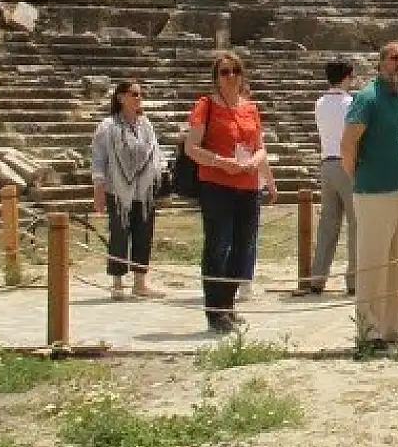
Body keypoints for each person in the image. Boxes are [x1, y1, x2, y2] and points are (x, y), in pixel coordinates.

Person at [342, 42, 398, 349]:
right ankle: (370, 331)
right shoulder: (368, 98)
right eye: (394, 58)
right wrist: (360, 179)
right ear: (381, 64)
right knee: (374, 262)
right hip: (375, 190)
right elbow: (348, 145)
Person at [184, 52, 274, 334]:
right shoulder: (206, 106)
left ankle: (227, 304)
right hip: (216, 184)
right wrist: (222, 162)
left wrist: (261, 172)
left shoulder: (250, 108)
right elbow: (191, 147)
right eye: (225, 71)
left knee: (243, 246)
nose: (231, 76)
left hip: (247, 185)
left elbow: (260, 146)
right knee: (217, 246)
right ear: (216, 77)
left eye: (235, 70)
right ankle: (214, 311)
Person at [90, 78, 166, 301]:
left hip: (144, 190)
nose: (139, 98)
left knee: (144, 235)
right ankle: (117, 282)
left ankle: (140, 282)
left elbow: (155, 153)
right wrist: (99, 189)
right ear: (121, 98)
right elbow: (98, 159)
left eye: (140, 94)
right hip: (118, 190)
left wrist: (159, 177)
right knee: (120, 236)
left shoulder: (146, 124)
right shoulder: (108, 126)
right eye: (134, 94)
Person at [308, 59, 358, 296]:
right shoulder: (351, 103)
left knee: (328, 223)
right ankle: (354, 279)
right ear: (348, 77)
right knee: (356, 223)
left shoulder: (319, 102)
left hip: (326, 162)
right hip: (346, 163)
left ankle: (317, 278)